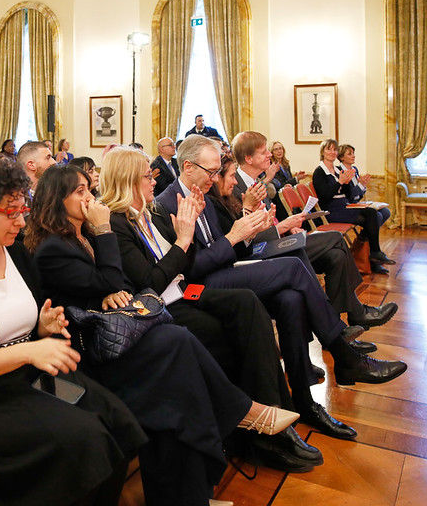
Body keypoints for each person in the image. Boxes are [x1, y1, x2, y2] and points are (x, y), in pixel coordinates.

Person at [27, 165, 301, 506]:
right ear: (56, 200)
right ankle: (242, 414)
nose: (89, 197)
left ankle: (188, 502)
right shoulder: (58, 246)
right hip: (83, 351)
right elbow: (114, 278)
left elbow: (118, 282)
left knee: (177, 368)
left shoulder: (86, 234)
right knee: (177, 344)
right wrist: (106, 234)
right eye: (79, 192)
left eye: (87, 189)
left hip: (115, 329)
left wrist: (112, 285)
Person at [0, 161, 147, 506]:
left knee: (118, 423)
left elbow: (27, 326)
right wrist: (30, 349)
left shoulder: (17, 254)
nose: (22, 222)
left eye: (22, 210)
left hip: (27, 379)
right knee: (85, 439)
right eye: (10, 213)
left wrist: (42, 327)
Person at [156, 135, 408, 438]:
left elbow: (229, 247)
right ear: (187, 166)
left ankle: (304, 399)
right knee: (292, 266)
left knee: (290, 299)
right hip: (200, 287)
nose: (214, 177)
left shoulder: (202, 193)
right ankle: (344, 353)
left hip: (222, 270)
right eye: (210, 171)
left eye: (215, 171)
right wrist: (235, 237)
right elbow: (189, 269)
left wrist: (246, 232)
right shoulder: (166, 203)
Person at [101, 146, 325, 472]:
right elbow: (151, 280)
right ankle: (262, 430)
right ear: (127, 181)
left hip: (183, 291)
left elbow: (185, 265)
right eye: (147, 176)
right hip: (162, 305)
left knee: (248, 303)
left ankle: (275, 417)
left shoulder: (154, 212)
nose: (154, 180)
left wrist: (187, 238)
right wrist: (184, 239)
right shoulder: (118, 222)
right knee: (229, 330)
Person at [226, 131, 398, 330]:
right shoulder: (235, 186)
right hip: (262, 251)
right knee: (335, 238)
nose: (270, 155)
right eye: (264, 152)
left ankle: (339, 324)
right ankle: (353, 315)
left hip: (275, 239)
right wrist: (282, 227)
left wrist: (287, 228)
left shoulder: (256, 182)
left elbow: (267, 219)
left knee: (336, 256)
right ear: (248, 158)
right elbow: (245, 234)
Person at [312, 139, 395, 275]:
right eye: (329, 149)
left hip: (344, 205)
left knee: (373, 215)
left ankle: (371, 257)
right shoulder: (319, 172)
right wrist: (340, 182)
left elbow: (349, 195)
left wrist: (351, 183)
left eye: (334, 149)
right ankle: (374, 253)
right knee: (372, 215)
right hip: (331, 210)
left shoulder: (338, 169)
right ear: (322, 152)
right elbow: (325, 197)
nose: (332, 152)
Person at [337, 143, 391, 227]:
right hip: (347, 206)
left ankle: (364, 237)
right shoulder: (339, 172)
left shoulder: (354, 169)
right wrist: (361, 185)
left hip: (357, 203)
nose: (353, 156)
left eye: (353, 153)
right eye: (349, 154)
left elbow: (359, 195)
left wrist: (363, 185)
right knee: (377, 216)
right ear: (341, 157)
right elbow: (349, 195)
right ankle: (365, 237)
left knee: (386, 212)